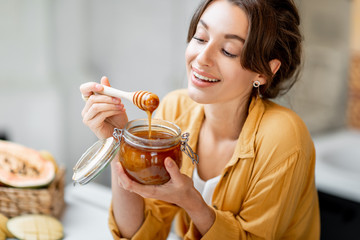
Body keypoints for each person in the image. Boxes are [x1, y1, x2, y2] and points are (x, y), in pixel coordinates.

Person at [80, 0, 320, 239]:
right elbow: (142, 232)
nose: (202, 58)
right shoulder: (175, 110)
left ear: (263, 72)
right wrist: (118, 142)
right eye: (201, 38)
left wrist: (192, 202)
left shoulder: (283, 138)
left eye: (228, 51)